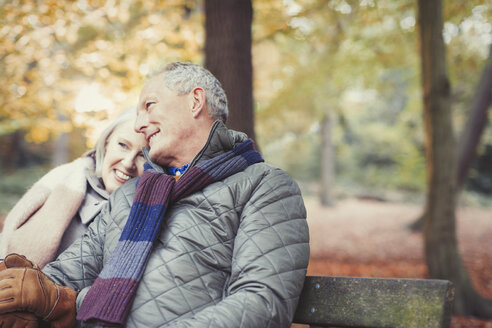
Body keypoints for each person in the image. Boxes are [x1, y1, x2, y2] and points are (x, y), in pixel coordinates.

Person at [0, 62, 310, 328]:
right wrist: (24, 291)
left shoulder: (264, 186)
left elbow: (262, 305)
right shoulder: (130, 195)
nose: (139, 125)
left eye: (149, 105)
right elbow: (70, 272)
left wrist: (73, 303)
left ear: (195, 102)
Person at [0, 107, 148, 268]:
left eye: (143, 155)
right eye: (123, 145)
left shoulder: (145, 216)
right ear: (106, 143)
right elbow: (7, 234)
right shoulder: (64, 177)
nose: (128, 163)